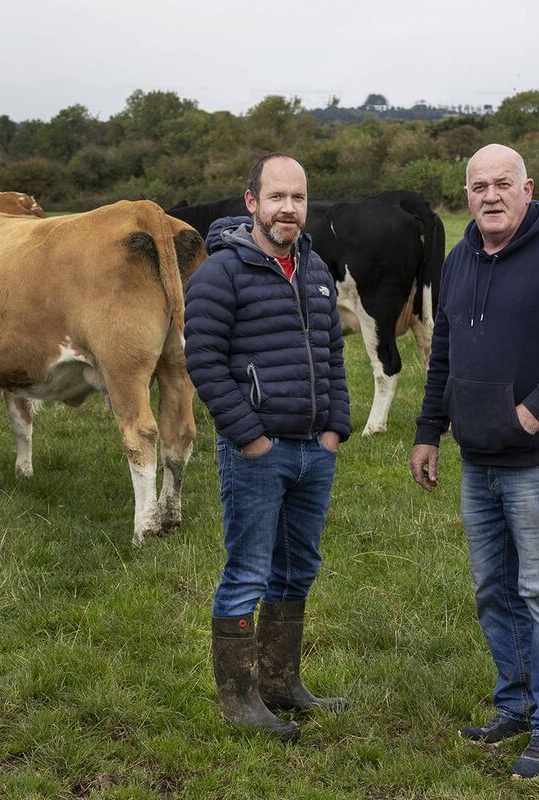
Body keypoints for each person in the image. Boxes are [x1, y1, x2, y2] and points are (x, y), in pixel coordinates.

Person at [408, 144, 539, 779]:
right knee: (494, 590)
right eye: (479, 186)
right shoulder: (458, 259)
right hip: (478, 459)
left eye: (504, 184)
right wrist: (427, 431)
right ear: (467, 195)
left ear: (528, 189)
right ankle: (518, 703)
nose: (491, 196)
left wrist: (535, 411)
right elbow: (442, 349)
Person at [184, 153, 351, 741]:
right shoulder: (220, 274)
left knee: (298, 567)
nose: (289, 208)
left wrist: (335, 429)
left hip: (313, 450)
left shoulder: (314, 270)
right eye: (277, 197)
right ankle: (239, 700)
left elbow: (333, 353)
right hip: (257, 451)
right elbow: (201, 361)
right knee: (248, 570)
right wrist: (249, 437)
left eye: (298, 198)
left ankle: (282, 684)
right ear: (251, 201)